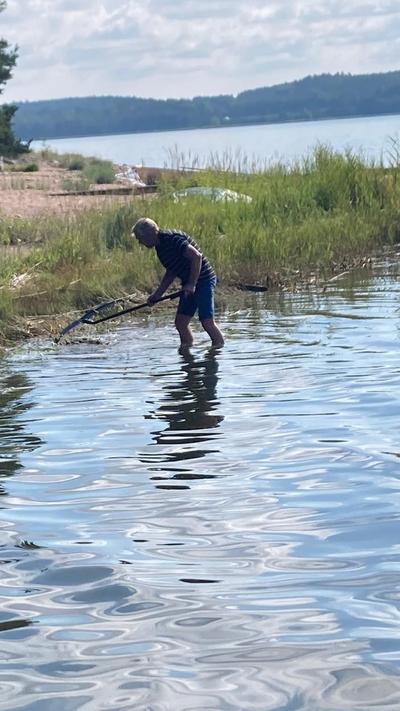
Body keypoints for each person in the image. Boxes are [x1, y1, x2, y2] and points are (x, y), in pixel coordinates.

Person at [131, 218, 224, 348]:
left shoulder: (172, 239)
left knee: (206, 322)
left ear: (150, 234)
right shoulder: (160, 248)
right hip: (189, 283)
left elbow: (196, 257)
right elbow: (171, 272)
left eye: (140, 238)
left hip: (203, 280)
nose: (140, 242)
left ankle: (217, 350)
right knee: (181, 323)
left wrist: (192, 284)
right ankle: (186, 352)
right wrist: (157, 295)